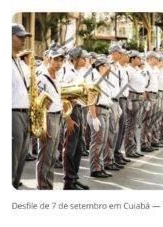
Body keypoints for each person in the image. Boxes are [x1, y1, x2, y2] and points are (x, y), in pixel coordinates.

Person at [36, 47, 65, 189]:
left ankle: (49, 185)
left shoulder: (57, 77)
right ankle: (42, 186)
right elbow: (38, 103)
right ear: (49, 59)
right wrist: (42, 125)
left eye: (61, 60)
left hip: (58, 115)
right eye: (56, 60)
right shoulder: (41, 77)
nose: (58, 63)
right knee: (45, 154)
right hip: (48, 117)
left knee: (53, 155)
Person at [62, 47, 90, 190]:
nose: (84, 60)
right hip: (71, 110)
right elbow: (64, 97)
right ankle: (68, 181)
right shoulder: (68, 73)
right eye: (82, 58)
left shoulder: (78, 72)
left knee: (78, 147)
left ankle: (74, 177)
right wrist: (68, 119)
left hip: (79, 109)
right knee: (70, 147)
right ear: (76, 59)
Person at [12, 23, 32, 189]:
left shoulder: (18, 61)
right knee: (12, 155)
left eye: (25, 37)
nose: (24, 40)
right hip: (12, 113)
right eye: (20, 37)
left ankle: (14, 184)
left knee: (21, 155)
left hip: (24, 112)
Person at [87, 57, 114, 178]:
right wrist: (93, 117)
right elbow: (91, 99)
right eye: (107, 66)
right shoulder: (95, 79)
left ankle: (100, 166)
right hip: (97, 111)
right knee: (97, 142)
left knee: (102, 141)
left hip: (105, 110)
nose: (110, 68)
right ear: (101, 67)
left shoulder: (103, 80)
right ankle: (95, 168)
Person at [124, 50, 147, 158]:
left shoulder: (137, 70)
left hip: (139, 97)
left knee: (135, 125)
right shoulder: (128, 70)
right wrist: (128, 100)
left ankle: (133, 148)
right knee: (131, 125)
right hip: (132, 98)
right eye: (138, 58)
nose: (140, 60)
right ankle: (129, 149)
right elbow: (125, 85)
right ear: (132, 59)